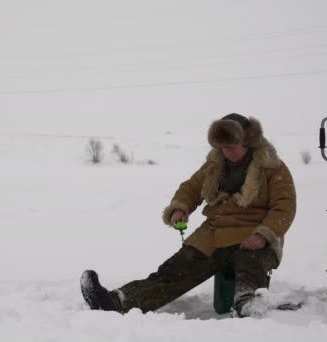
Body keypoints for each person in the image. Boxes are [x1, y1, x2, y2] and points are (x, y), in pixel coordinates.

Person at [80, 113, 297, 317]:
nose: (226, 152)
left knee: (250, 262)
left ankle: (249, 303)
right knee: (174, 271)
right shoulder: (215, 164)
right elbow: (191, 188)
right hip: (215, 233)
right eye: (221, 147)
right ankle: (117, 302)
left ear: (248, 141)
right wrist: (180, 208)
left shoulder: (273, 169)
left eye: (231, 147)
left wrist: (263, 235)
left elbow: (284, 207)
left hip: (254, 234)